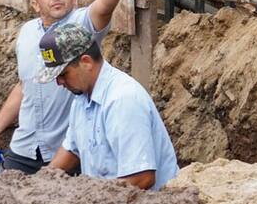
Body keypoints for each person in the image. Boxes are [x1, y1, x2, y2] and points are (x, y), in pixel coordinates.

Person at [0, 0, 135, 174]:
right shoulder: (27, 33)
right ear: (35, 3)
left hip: (68, 152)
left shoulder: (80, 26)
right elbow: (25, 87)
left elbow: (105, 6)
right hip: (25, 148)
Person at [41, 22, 179, 190]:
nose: (59, 82)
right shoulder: (81, 97)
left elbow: (141, 178)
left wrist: (91, 202)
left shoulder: (123, 99)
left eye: (63, 74)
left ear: (86, 62)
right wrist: (42, 184)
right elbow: (71, 149)